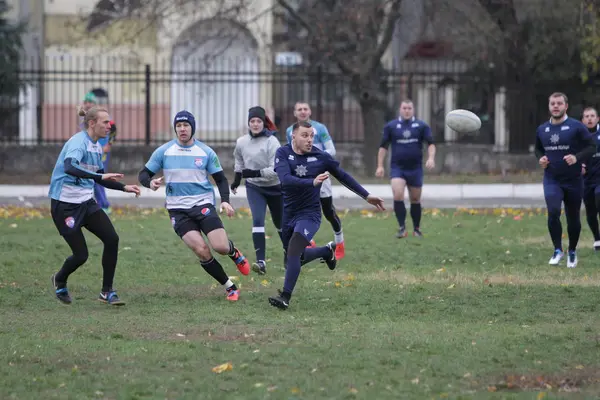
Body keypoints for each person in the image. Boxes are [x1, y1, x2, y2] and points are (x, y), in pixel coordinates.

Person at [268, 121, 385, 310]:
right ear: (294, 137)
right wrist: (311, 182)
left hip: (310, 214)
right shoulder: (283, 153)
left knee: (293, 252)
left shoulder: (321, 157)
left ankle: (285, 297)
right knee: (295, 258)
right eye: (304, 135)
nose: (309, 139)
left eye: (311, 136)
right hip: (288, 214)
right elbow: (286, 180)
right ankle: (326, 251)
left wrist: (367, 195)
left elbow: (343, 176)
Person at [138, 110, 251, 301]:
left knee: (220, 247)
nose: (182, 129)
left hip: (203, 205)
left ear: (193, 128)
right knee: (202, 251)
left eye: (186, 125)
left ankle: (234, 252)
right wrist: (150, 183)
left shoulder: (205, 152)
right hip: (178, 210)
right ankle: (229, 286)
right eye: (179, 126)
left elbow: (221, 180)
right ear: (175, 128)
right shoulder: (164, 151)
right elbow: (143, 174)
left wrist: (225, 200)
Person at [49, 106, 141, 306]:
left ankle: (107, 291)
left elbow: (100, 178)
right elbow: (69, 167)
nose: (109, 125)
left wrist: (125, 187)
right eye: (105, 122)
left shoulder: (96, 146)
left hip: (86, 203)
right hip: (64, 205)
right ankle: (60, 279)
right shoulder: (78, 142)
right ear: (92, 123)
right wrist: (100, 176)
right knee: (81, 255)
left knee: (112, 239)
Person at [535, 92, 596, 268]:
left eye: (559, 103)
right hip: (552, 179)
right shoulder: (542, 129)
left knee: (573, 218)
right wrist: (541, 159)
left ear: (566, 106)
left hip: (574, 180)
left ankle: (572, 251)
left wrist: (577, 158)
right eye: (552, 103)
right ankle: (557, 250)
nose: (556, 106)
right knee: (553, 211)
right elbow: (538, 150)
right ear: (549, 106)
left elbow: (591, 147)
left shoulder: (576, 127)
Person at [285, 102, 345, 259]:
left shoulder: (320, 128)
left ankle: (339, 241)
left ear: (310, 111)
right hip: (301, 176)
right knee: (300, 210)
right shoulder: (290, 131)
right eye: (299, 109)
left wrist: (315, 159)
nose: (303, 111)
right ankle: (308, 242)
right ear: (295, 112)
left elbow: (331, 150)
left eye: (305, 109)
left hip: (321, 174)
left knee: (328, 211)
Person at [231, 106, 284, 275]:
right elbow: (239, 160)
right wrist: (237, 180)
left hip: (275, 187)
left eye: (258, 121)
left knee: (280, 223)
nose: (255, 124)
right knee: (258, 220)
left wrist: (254, 172)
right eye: (252, 121)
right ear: (248, 123)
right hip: (255, 187)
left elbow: (275, 169)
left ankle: (289, 254)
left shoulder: (272, 142)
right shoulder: (241, 142)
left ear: (264, 123)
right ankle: (261, 262)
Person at [376, 100, 436, 238]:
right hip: (398, 168)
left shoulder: (421, 126)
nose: (407, 111)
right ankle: (402, 228)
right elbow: (383, 147)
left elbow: (431, 144)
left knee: (415, 199)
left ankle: (416, 229)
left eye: (409, 108)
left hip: (415, 169)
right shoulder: (391, 126)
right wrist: (380, 166)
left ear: (413, 109)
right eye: (404, 108)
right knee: (398, 194)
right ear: (400, 109)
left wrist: (431, 158)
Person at [581, 107, 600, 250]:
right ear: (583, 121)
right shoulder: (579, 137)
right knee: (590, 211)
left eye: (592, 116)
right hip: (586, 180)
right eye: (586, 116)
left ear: (597, 118)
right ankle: (597, 239)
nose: (590, 118)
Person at [93, 120, 117, 213]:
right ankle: (102, 204)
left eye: (88, 103)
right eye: (85, 103)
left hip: (102, 154)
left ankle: (104, 205)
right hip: (94, 151)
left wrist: (109, 144)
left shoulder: (102, 117)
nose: (86, 104)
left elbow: (114, 129)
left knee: (98, 179)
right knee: (96, 180)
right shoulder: (88, 118)